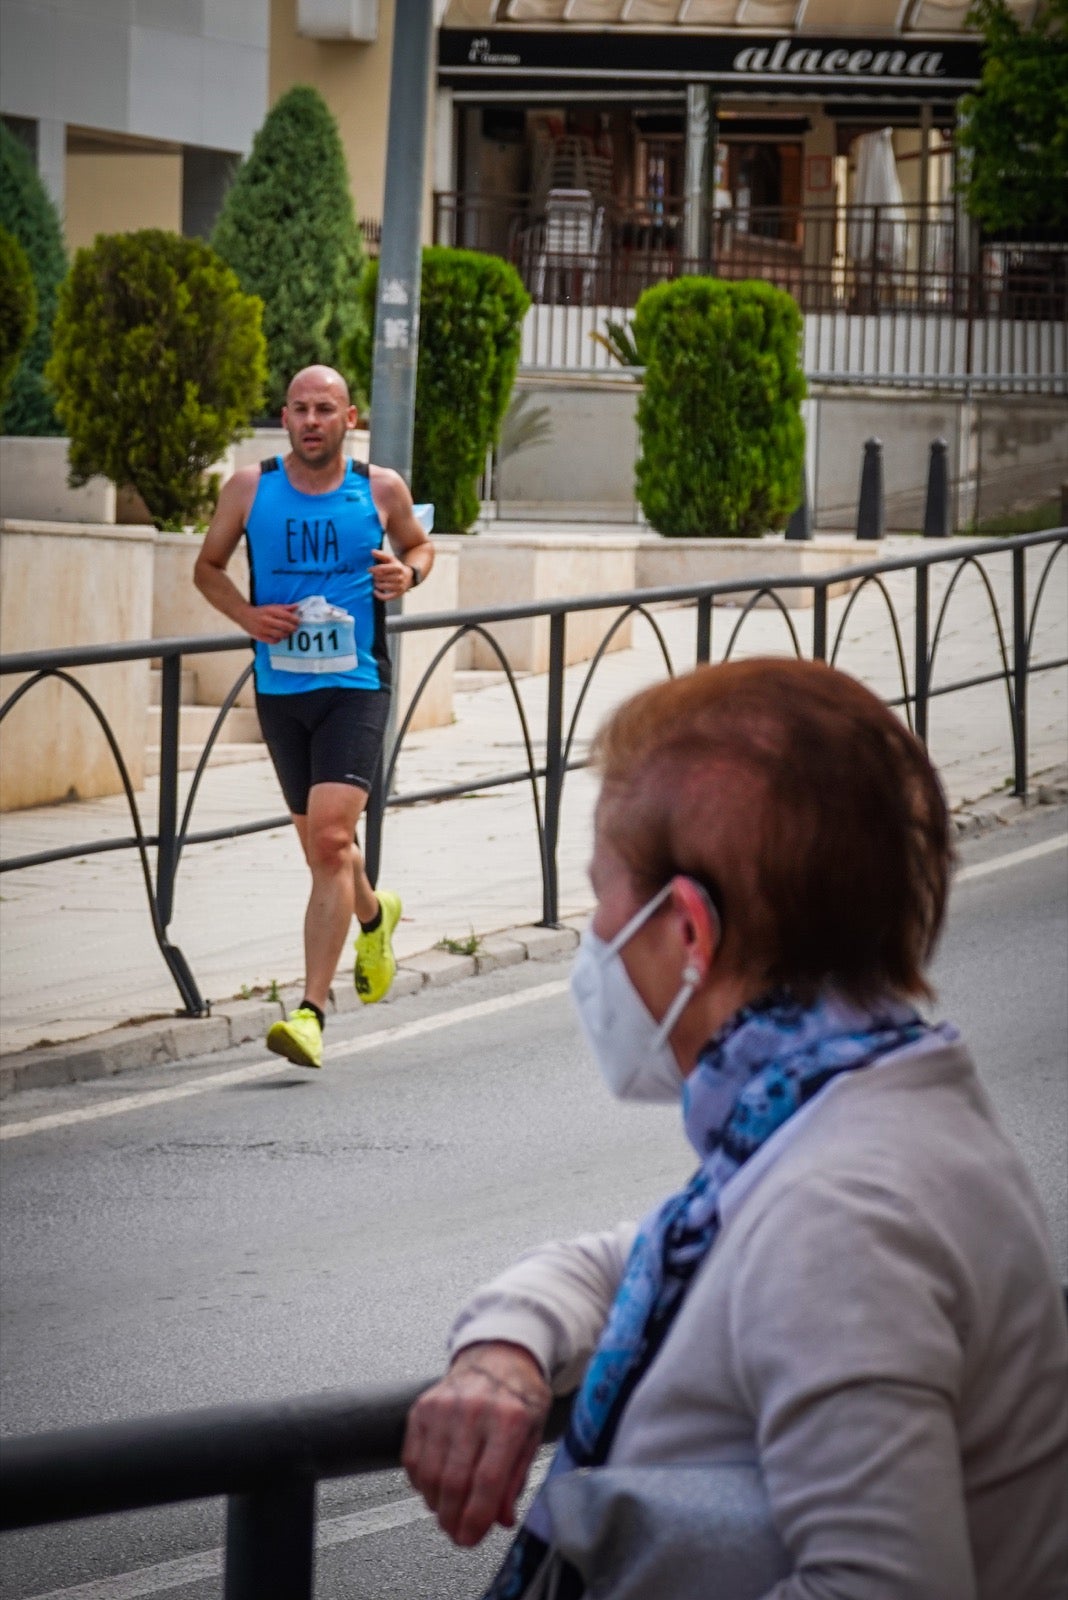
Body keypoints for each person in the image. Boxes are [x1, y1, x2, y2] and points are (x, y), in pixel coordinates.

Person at [402, 658, 1068, 1599]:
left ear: (688, 932)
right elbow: (638, 1262)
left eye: (604, 895)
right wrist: (506, 1350)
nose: (594, 936)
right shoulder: (854, 1111)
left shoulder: (842, 1210)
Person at [194, 364, 434, 1071]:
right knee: (322, 851)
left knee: (331, 840)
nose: (311, 420)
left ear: (349, 418)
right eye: (299, 409)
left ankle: (311, 1011)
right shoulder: (249, 488)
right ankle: (372, 914)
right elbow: (207, 566)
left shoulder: (379, 488)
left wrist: (408, 574)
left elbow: (420, 545)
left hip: (357, 685)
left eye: (324, 409)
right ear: (284, 417)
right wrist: (245, 613)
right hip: (281, 688)